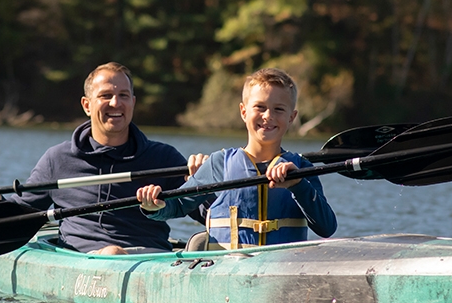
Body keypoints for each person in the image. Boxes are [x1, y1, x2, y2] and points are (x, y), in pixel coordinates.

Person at [0, 62, 204, 255]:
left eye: (124, 95)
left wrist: (201, 182)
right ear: (87, 105)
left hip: (150, 260)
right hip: (83, 262)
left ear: (133, 102)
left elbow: (206, 214)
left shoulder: (164, 157)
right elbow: (22, 216)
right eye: (105, 95)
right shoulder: (58, 159)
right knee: (111, 252)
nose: (115, 103)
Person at [135, 68, 336, 250]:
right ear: (243, 111)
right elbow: (177, 205)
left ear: (291, 117)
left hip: (282, 274)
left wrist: (298, 185)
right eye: (260, 107)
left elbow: (327, 228)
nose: (268, 116)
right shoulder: (219, 163)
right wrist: (154, 206)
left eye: (279, 109)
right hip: (229, 272)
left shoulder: (302, 168)